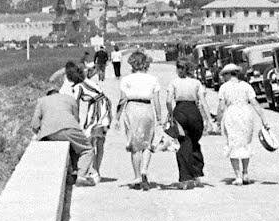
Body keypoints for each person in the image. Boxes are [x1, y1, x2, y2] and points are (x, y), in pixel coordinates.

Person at [31, 79, 94, 185]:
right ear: (58, 92)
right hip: (70, 128)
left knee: (72, 147)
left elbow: (34, 124)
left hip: (49, 133)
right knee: (87, 149)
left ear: (48, 94)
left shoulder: (42, 100)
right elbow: (76, 119)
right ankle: (81, 176)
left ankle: (71, 173)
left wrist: (39, 132)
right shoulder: (70, 99)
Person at [216, 62, 271, 185]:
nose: (223, 77)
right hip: (246, 114)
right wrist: (263, 119)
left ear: (229, 75)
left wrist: (218, 121)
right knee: (245, 143)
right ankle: (245, 172)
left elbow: (221, 107)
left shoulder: (224, 87)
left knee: (233, 143)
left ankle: (238, 176)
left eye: (224, 75)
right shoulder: (246, 86)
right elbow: (255, 103)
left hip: (232, 114)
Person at [117, 49, 164, 190]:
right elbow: (156, 100)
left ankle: (137, 176)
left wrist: (116, 118)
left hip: (132, 109)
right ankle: (144, 170)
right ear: (145, 63)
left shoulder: (126, 79)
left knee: (135, 145)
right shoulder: (153, 79)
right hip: (147, 108)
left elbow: (122, 99)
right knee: (148, 142)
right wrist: (159, 118)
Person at [166, 57, 208, 188]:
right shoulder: (196, 83)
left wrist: (171, 114)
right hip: (194, 111)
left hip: (180, 110)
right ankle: (196, 174)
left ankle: (185, 178)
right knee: (194, 142)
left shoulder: (174, 82)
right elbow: (203, 101)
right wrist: (208, 119)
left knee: (183, 143)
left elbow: (168, 101)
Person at [75, 57, 113, 184]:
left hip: (96, 110)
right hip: (105, 107)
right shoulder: (89, 82)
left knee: (89, 140)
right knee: (100, 141)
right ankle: (97, 170)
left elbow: (75, 103)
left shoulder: (79, 86)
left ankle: (93, 171)